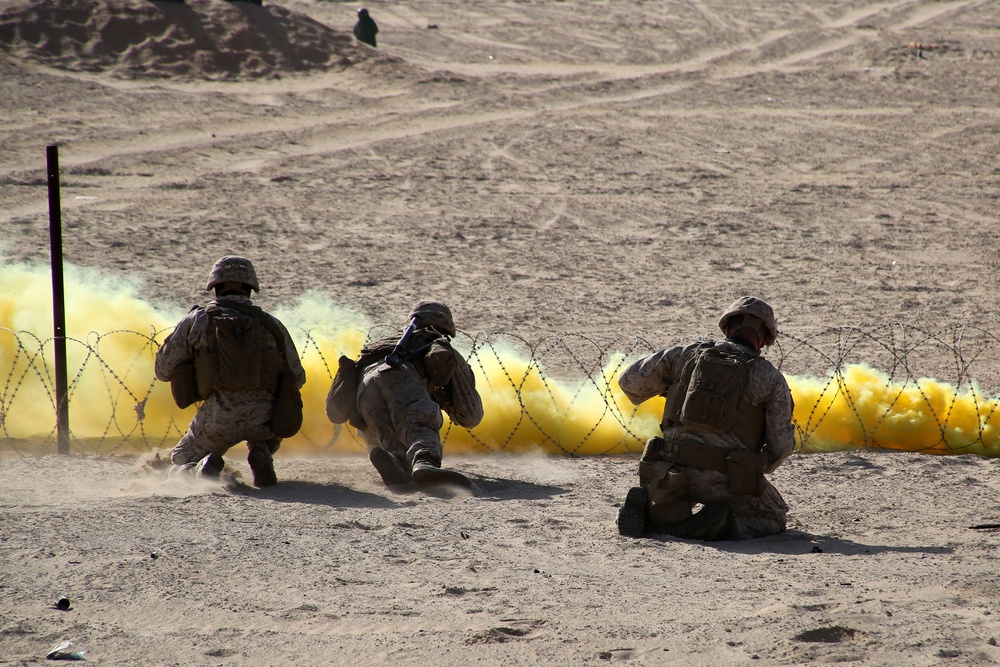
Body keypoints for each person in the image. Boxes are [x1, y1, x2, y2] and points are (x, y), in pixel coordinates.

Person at [616, 296, 795, 541]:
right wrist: (756, 467)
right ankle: (716, 525)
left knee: (668, 504)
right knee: (773, 517)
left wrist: (672, 388)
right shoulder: (769, 377)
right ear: (764, 339)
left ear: (728, 328)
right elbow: (781, 445)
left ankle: (650, 513)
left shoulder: (685, 355)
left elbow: (629, 382)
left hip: (670, 471)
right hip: (727, 478)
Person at [154, 256, 306, 487]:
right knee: (271, 429)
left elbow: (163, 370)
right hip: (263, 418)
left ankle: (200, 470)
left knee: (180, 459)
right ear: (250, 288)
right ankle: (261, 451)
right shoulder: (271, 324)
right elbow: (297, 377)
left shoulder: (197, 321)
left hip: (218, 417)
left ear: (215, 287)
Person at [346, 301, 483, 490]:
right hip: (401, 376)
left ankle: (397, 462)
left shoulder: (382, 344)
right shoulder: (438, 345)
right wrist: (441, 399)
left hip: (364, 389)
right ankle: (425, 463)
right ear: (445, 326)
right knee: (422, 422)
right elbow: (470, 414)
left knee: (392, 438)